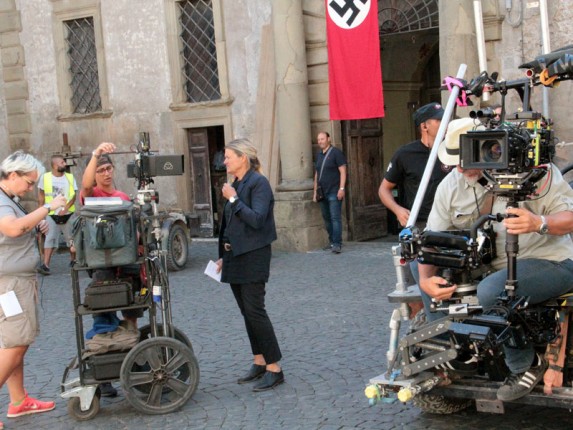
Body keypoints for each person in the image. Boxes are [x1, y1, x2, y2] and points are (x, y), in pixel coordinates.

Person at [418, 118, 573, 402]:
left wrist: (539, 222)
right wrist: (426, 279)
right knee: (426, 274)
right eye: (454, 163)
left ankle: (525, 365)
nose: (459, 169)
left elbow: (570, 219)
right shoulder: (451, 185)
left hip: (551, 261)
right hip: (490, 266)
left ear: (488, 149)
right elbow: (432, 240)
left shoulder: (536, 173)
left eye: (464, 160)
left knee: (492, 290)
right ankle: (451, 352)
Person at [0, 151, 67, 427]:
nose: (30, 188)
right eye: (29, 182)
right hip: (11, 284)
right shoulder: (2, 201)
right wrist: (47, 208)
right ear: (13, 175)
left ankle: (18, 401)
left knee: (13, 341)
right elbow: (12, 229)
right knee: (17, 342)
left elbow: (16, 229)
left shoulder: (8, 199)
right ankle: (17, 401)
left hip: (13, 281)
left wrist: (34, 225)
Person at [215, 138, 284, 392]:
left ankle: (274, 368)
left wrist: (234, 199)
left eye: (228, 157)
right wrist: (222, 255)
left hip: (254, 256)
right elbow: (230, 224)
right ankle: (259, 361)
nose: (224, 162)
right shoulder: (237, 183)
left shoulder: (258, 183)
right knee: (246, 312)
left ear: (242, 157)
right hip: (234, 256)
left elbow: (257, 219)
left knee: (255, 311)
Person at [80, 142, 133, 398]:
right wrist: (96, 155)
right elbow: (85, 185)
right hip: (102, 267)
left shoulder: (122, 197)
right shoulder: (92, 195)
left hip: (126, 264)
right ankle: (105, 375)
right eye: (101, 170)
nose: (106, 173)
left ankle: (132, 363)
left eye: (108, 168)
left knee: (132, 314)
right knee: (104, 318)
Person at [378, 102, 452, 229]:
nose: (445, 123)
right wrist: (398, 210)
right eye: (439, 120)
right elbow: (384, 189)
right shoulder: (405, 154)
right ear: (424, 126)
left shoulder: (453, 150)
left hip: (450, 221)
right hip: (419, 223)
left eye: (446, 118)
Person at [37, 154, 78, 274]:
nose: (65, 164)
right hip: (51, 213)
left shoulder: (70, 177)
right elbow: (41, 195)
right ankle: (45, 265)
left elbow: (73, 195)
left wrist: (66, 208)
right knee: (49, 238)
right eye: (62, 162)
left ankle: (73, 260)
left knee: (71, 238)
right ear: (55, 166)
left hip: (68, 213)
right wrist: (41, 212)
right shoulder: (45, 178)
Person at [313, 131, 347, 254]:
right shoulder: (319, 155)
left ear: (329, 139)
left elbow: (343, 171)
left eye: (322, 139)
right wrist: (315, 192)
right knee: (327, 218)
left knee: (335, 218)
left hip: (334, 191)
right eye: (318, 139)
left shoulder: (336, 153)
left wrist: (341, 188)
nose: (320, 141)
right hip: (322, 192)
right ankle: (332, 241)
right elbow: (317, 174)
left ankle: (337, 244)